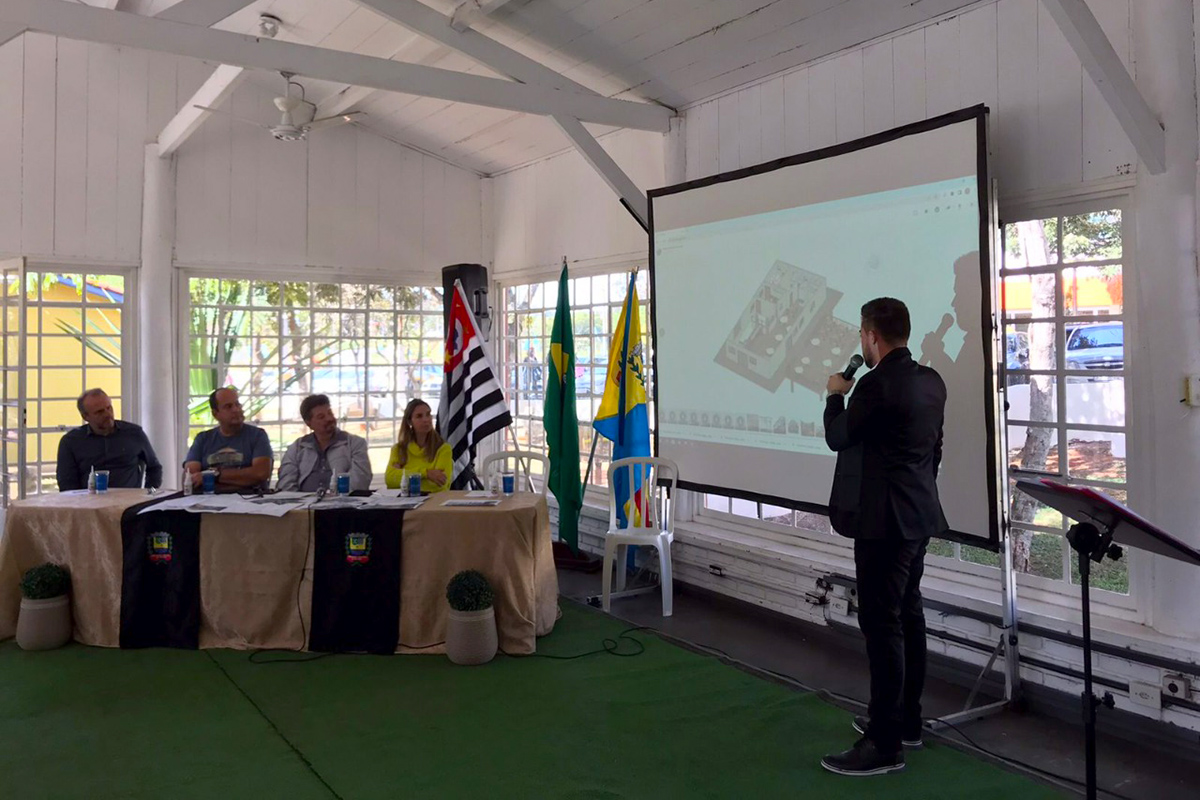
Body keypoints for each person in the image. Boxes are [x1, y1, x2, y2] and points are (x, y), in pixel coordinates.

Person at [819, 297, 948, 777]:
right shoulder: (931, 381)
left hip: (882, 524)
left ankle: (884, 743)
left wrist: (835, 394)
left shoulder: (873, 386)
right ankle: (905, 722)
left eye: (861, 334)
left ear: (872, 336)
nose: (861, 342)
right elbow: (934, 451)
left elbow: (838, 436)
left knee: (882, 626)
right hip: (918, 517)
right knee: (907, 616)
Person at [55, 388, 163, 491]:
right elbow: (66, 482)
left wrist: (149, 494)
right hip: (88, 502)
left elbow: (154, 468)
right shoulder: (71, 441)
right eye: (100, 412)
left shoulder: (134, 433)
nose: (107, 414)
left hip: (129, 502)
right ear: (85, 417)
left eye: (109, 408)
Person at [276, 394, 372, 493]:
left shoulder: (355, 444)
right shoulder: (297, 448)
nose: (329, 419)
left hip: (342, 505)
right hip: (302, 506)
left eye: (330, 413)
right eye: (321, 417)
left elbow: (360, 483)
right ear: (309, 423)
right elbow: (286, 486)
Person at [184, 388, 273, 492]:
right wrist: (241, 480)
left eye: (237, 404)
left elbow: (260, 473)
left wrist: (214, 476)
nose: (236, 409)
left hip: (249, 502)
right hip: (209, 501)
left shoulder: (257, 436)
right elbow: (192, 477)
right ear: (215, 414)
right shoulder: (202, 439)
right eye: (228, 407)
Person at [384, 399, 453, 493]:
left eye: (428, 414)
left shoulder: (443, 449)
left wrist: (404, 477)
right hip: (405, 503)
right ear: (409, 421)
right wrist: (427, 474)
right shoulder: (398, 449)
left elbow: (438, 485)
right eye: (419, 416)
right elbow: (390, 480)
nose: (426, 420)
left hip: (435, 503)